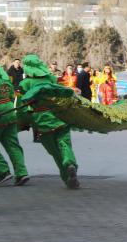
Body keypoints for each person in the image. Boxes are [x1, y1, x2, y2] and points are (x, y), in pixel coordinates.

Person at [17, 55, 80, 189]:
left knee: (55, 152)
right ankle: (70, 164)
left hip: (42, 122)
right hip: (59, 116)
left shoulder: (25, 84)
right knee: (65, 144)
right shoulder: (52, 78)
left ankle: (67, 177)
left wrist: (23, 123)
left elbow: (21, 108)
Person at [0, 63, 29, 186]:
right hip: (10, 112)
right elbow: (12, 96)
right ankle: (21, 173)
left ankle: (3, 171)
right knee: (13, 145)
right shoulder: (5, 81)